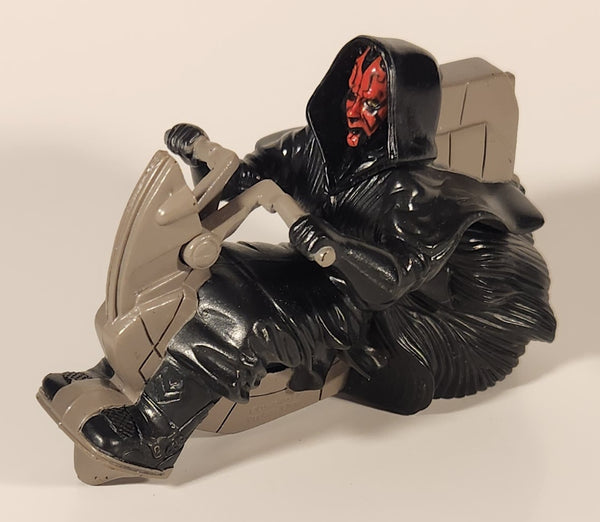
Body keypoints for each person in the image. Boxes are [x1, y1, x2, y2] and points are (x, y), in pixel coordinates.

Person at [44, 36, 556, 474]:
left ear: (402, 116)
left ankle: (154, 436)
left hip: (361, 307)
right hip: (309, 265)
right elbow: (246, 180)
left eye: (373, 105)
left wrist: (332, 246)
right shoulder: (313, 148)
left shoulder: (411, 196)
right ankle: (113, 374)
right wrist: (204, 161)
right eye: (353, 95)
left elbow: (390, 281)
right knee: (207, 272)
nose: (355, 111)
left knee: (241, 318)